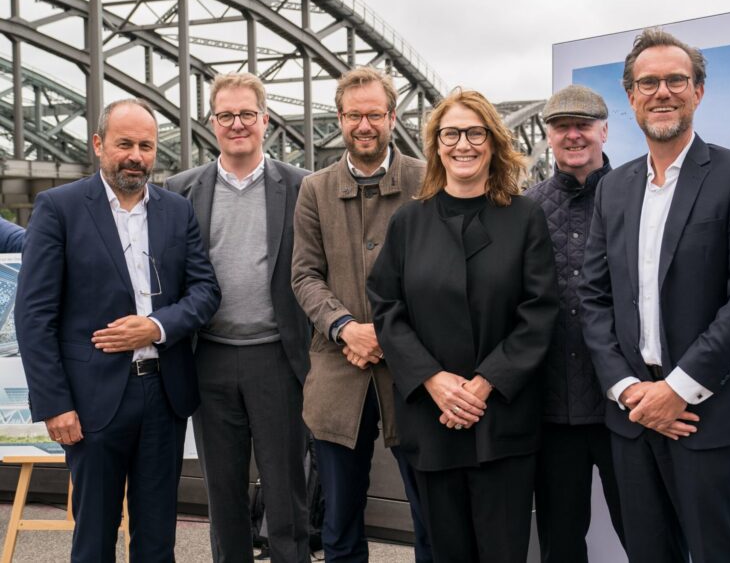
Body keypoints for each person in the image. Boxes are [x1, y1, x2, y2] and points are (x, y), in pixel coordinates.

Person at [580, 28, 730, 563]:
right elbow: (593, 298)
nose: (662, 92)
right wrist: (627, 389)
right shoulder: (614, 187)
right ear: (630, 97)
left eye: (676, 80)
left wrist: (677, 389)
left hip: (709, 414)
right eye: (648, 82)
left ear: (698, 91)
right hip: (633, 414)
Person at [15, 98, 220, 563]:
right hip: (90, 403)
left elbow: (205, 293)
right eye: (124, 143)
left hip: (163, 398)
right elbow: (34, 315)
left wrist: (155, 326)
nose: (136, 156)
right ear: (98, 144)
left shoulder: (176, 210)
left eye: (146, 146)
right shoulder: (59, 208)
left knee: (157, 539)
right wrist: (55, 404)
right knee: (93, 538)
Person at [367, 88, 559, 563]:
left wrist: (484, 384)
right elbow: (386, 306)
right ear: (435, 146)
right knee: (445, 552)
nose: (463, 144)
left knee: (503, 552)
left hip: (502, 421)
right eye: (450, 133)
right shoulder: (409, 221)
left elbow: (539, 311)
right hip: (432, 420)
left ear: (493, 142)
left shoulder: (524, 217)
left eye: (475, 133)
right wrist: (433, 380)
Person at [166, 73, 311, 563]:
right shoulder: (180, 190)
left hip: (277, 357)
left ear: (265, 120)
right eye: (226, 115)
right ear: (211, 124)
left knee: (287, 494)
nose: (237, 124)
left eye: (247, 114)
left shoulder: (300, 187)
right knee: (223, 496)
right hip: (209, 358)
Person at [291, 66, 431, 563]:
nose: (364, 126)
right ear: (340, 119)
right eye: (354, 116)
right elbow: (304, 274)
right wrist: (345, 327)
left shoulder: (424, 179)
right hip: (337, 366)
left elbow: (440, 277)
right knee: (339, 520)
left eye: (374, 114)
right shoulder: (315, 189)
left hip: (413, 370)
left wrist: (387, 335)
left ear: (393, 117)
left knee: (429, 515)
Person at [524, 85, 625, 562]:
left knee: (647, 535)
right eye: (561, 126)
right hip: (552, 408)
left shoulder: (636, 195)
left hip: (624, 404)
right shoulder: (525, 208)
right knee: (560, 546)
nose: (573, 135)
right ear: (548, 136)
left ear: (604, 130)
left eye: (583, 125)